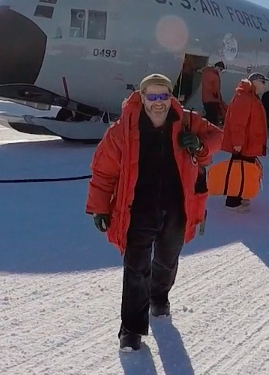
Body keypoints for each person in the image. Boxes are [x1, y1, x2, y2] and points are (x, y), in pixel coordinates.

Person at [86, 74, 223, 352]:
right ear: (142, 96)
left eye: (163, 96)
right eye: (152, 96)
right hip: (137, 209)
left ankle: (159, 296)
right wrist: (100, 207)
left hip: (177, 206)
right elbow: (104, 171)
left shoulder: (185, 120)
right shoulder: (122, 129)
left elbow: (217, 137)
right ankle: (131, 330)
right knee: (136, 268)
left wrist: (198, 144)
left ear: (170, 97)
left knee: (167, 259)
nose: (158, 103)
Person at [220, 74, 269, 211]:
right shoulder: (244, 97)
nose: (264, 85)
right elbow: (237, 123)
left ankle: (240, 196)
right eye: (262, 82)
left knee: (245, 171)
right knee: (238, 172)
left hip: (249, 143)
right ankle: (232, 202)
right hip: (244, 144)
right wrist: (238, 142)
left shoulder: (250, 97)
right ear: (254, 82)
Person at [200, 61, 227, 125]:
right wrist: (216, 94)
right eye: (220, 69)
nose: (220, 71)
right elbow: (214, 87)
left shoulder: (207, 73)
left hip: (207, 99)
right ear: (216, 67)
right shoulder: (213, 75)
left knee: (210, 117)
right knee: (213, 119)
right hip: (212, 99)